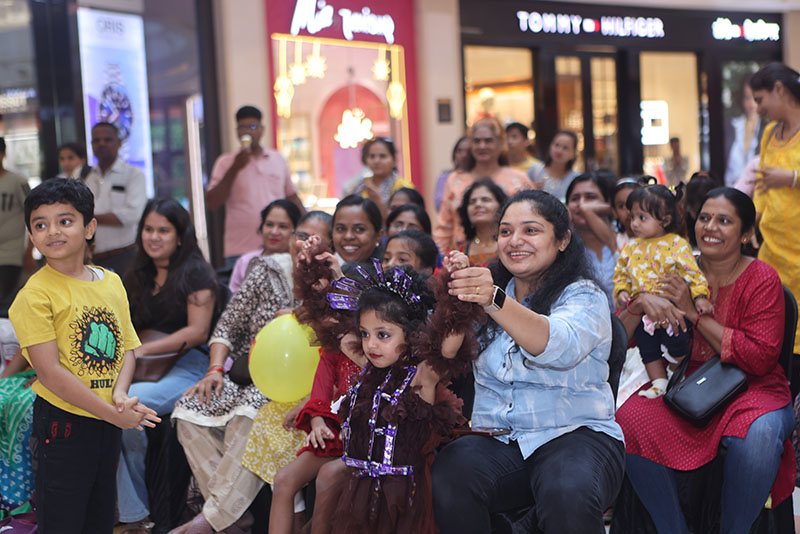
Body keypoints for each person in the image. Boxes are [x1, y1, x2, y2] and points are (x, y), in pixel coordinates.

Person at [432, 190, 625, 533]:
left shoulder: (584, 295)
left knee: (566, 490)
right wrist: (457, 294)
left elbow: (555, 345)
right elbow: (446, 353)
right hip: (504, 440)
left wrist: (494, 300)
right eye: (505, 232)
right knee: (452, 469)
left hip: (576, 436)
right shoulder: (489, 291)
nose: (515, 241)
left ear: (563, 239)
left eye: (531, 230)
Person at [615, 187, 794, 534]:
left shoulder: (762, 279)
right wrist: (638, 304)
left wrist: (693, 315)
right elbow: (619, 342)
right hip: (687, 386)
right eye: (705, 218)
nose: (710, 227)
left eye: (724, 221)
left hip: (753, 390)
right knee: (628, 419)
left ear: (746, 233)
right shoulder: (670, 267)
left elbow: (759, 358)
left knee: (756, 438)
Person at [292, 244, 479, 534]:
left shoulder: (421, 375)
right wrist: (316, 277)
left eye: (383, 335)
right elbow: (331, 324)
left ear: (413, 333)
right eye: (365, 334)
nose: (371, 344)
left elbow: (449, 342)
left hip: (404, 496)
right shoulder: (369, 368)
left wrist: (458, 283)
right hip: (360, 491)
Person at [8, 178, 159, 532]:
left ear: (89, 227)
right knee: (63, 519)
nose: (52, 232)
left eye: (65, 220)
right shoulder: (34, 295)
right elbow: (49, 373)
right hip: (63, 423)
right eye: (40, 224)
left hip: (107, 420)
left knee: (100, 516)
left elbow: (127, 350)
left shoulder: (111, 282)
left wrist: (120, 396)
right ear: (31, 235)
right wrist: (113, 413)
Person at [169, 211, 333, 534]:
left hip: (304, 388)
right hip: (250, 374)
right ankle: (231, 513)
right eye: (300, 236)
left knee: (249, 414)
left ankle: (213, 518)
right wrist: (215, 369)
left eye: (315, 240)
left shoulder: (334, 283)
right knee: (188, 409)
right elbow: (228, 324)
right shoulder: (268, 270)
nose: (305, 247)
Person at [116, 198, 220, 533]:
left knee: (130, 409)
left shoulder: (196, 272)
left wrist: (143, 350)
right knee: (112, 410)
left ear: (179, 236)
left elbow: (198, 331)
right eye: (148, 229)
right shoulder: (136, 273)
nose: (154, 237)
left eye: (164, 230)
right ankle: (131, 512)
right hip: (141, 365)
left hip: (189, 365)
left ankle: (134, 517)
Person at [613, 185, 712, 399]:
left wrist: (700, 296)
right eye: (632, 217)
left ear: (665, 220)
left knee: (677, 343)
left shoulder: (676, 244)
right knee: (648, 350)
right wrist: (621, 291)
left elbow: (692, 273)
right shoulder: (630, 248)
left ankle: (678, 372)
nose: (634, 223)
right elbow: (621, 274)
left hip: (671, 310)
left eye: (642, 217)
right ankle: (659, 383)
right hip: (642, 314)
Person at [206, 105, 305, 267]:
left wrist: (308, 227)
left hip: (279, 248)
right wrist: (235, 167)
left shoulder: (277, 159)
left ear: (262, 129)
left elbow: (291, 197)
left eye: (253, 126)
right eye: (242, 127)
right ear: (236, 131)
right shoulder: (225, 163)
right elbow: (212, 202)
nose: (248, 132)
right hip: (239, 250)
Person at [748, 62, 800, 356]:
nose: (758, 108)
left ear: (779, 90)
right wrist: (749, 224)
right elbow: (762, 186)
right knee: (778, 334)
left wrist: (792, 178)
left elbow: (777, 179)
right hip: (774, 251)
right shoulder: (769, 133)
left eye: (760, 99)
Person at [435, 117, 531, 252]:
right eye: (477, 141)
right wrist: (441, 259)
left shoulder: (518, 179)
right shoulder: (456, 180)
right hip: (462, 256)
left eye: (488, 140)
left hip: (511, 254)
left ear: (500, 143)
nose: (482, 146)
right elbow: (444, 226)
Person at [84, 122, 147, 275]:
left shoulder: (133, 174)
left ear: (118, 143)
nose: (102, 144)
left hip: (124, 256)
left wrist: (89, 218)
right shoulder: (85, 175)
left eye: (107, 139)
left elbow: (133, 215)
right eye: (96, 141)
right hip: (91, 259)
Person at [566, 173, 618, 308]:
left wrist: (616, 208)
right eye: (575, 198)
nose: (582, 205)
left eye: (591, 197)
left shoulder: (626, 237)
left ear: (606, 202)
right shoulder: (563, 248)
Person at [228, 199, 301, 294]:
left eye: (283, 226)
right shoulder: (245, 262)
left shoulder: (300, 264)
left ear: (295, 231)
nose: (274, 232)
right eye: (269, 225)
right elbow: (234, 302)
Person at [0, 347, 36, 513]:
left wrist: (45, 378)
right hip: (35, 372)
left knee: (20, 407)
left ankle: (20, 501)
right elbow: (28, 348)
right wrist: (2, 382)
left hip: (64, 378)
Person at [342, 138, 414, 212]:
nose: (376, 161)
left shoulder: (403, 187)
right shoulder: (360, 186)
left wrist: (378, 202)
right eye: (372, 156)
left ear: (394, 160)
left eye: (382, 156)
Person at [0, 137, 30, 306]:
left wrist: (30, 252)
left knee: (5, 301)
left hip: (11, 254)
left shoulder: (18, 182)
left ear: (3, 154)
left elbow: (33, 215)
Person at [456, 179, 507, 266]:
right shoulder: (459, 250)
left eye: (485, 200)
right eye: (472, 202)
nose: (478, 204)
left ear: (501, 207)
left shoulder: (508, 246)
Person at [725, 75, 761, 187]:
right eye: (747, 97)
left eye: (755, 98)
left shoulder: (768, 129)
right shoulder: (732, 127)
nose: (751, 104)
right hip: (730, 194)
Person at [527, 130, 580, 203]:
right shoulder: (534, 171)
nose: (559, 150)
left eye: (565, 148)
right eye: (556, 145)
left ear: (573, 154)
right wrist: (533, 191)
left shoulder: (576, 178)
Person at [332, 195, 384, 266]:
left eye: (359, 229)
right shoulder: (327, 270)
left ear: (378, 235)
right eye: (341, 229)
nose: (348, 236)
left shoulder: (389, 274)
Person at [434, 136, 470, 212]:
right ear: (454, 154)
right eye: (459, 151)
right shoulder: (445, 177)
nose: (464, 155)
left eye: (468, 151)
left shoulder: (479, 176)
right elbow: (439, 205)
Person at [611, 177, 641, 252]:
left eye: (633, 203)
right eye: (622, 206)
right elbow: (587, 210)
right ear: (614, 211)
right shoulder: (616, 239)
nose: (628, 211)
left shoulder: (657, 237)